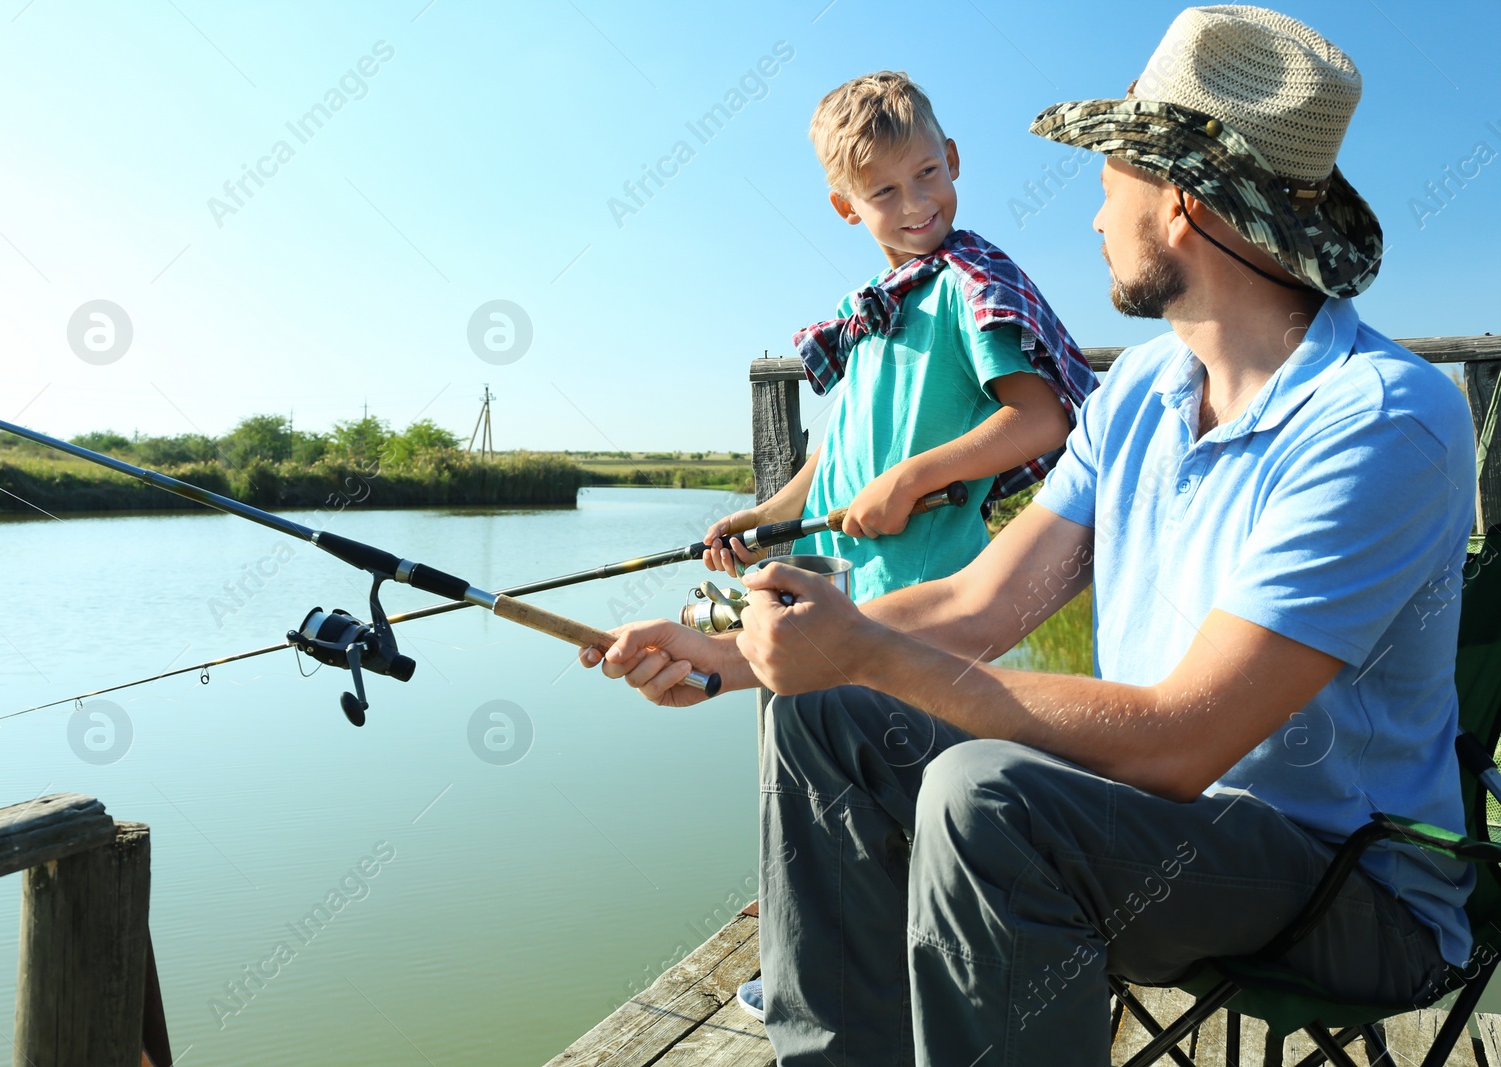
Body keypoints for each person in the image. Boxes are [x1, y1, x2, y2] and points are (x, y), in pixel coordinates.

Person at [583, 7, 1479, 1065]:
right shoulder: (1143, 389)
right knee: (823, 718)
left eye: (1109, 185)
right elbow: (978, 604)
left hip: (1344, 886)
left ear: (1182, 206)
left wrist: (868, 648)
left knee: (986, 798)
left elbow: (1185, 737)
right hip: (1149, 824)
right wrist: (738, 655)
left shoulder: (1379, 417)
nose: (1094, 217)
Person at [701, 71, 1093, 604]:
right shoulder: (865, 310)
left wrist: (908, 480)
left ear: (952, 160)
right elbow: (850, 440)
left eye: (927, 172)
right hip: (842, 590)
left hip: (926, 596)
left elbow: (1043, 420)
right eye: (884, 191)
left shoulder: (966, 287)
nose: (915, 203)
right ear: (846, 206)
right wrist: (771, 514)